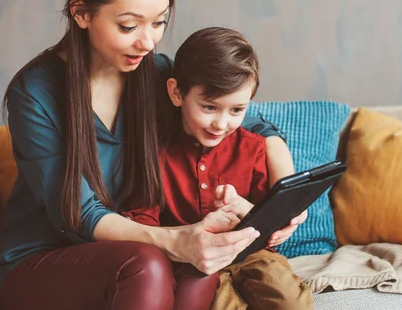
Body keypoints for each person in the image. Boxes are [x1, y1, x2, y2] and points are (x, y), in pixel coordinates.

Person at [0, 0, 299, 310]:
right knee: (148, 264)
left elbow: (254, 123)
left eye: (159, 23)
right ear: (81, 13)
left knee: (193, 272)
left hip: (136, 251)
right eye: (129, 26)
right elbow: (79, 214)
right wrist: (177, 240)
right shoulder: (35, 93)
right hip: (41, 262)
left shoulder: (158, 74)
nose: (148, 42)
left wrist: (285, 193)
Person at [123, 26, 312, 309]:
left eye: (236, 110)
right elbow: (142, 221)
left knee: (289, 300)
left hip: (253, 253)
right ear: (177, 93)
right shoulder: (153, 152)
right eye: (209, 107)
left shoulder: (253, 148)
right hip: (192, 260)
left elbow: (268, 220)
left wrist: (245, 209)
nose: (222, 124)